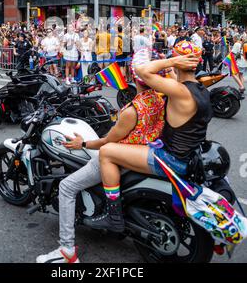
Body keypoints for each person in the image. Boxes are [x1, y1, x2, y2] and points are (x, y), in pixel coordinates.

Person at [36, 52, 165, 264]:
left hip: (119, 158)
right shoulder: (158, 99)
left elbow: (107, 142)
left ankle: (66, 250)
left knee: (67, 187)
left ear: (134, 77)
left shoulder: (133, 110)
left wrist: (82, 143)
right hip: (143, 153)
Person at [84, 41, 213, 232]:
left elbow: (144, 72)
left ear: (179, 62)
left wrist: (172, 60)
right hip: (188, 154)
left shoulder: (180, 91)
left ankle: (114, 217)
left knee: (106, 152)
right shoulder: (199, 89)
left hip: (171, 159)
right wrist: (173, 64)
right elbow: (170, 78)